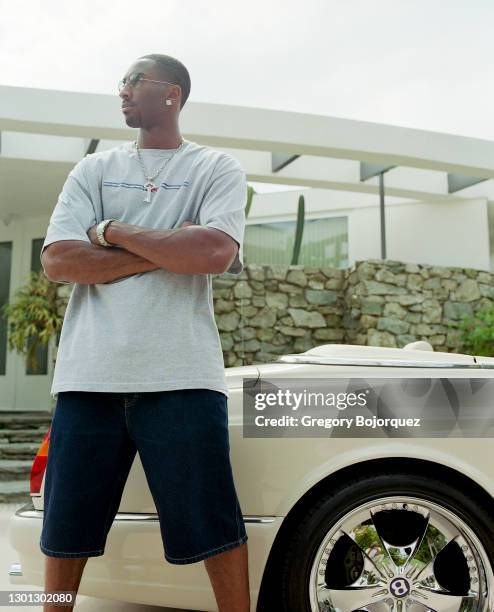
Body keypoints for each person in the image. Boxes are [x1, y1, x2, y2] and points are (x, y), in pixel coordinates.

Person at [39, 53, 250, 612]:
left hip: (181, 374)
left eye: (134, 81)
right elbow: (60, 261)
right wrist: (165, 249)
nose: (123, 91)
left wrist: (111, 232)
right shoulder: (93, 169)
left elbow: (214, 251)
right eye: (121, 83)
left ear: (172, 93)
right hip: (90, 376)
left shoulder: (215, 168)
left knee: (214, 521)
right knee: (65, 526)